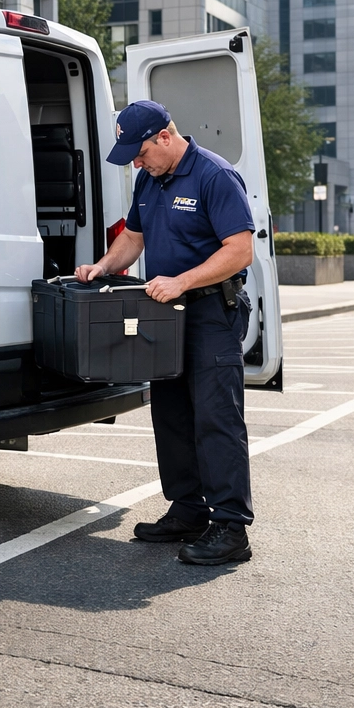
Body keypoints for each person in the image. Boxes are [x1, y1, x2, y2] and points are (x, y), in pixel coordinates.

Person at [74, 100, 257, 565]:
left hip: (211, 312)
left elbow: (240, 251)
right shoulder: (149, 180)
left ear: (164, 137)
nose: (136, 162)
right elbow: (133, 239)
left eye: (140, 153)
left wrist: (183, 280)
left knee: (217, 419)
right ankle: (188, 510)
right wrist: (102, 266)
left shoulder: (214, 176)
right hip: (167, 315)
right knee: (172, 415)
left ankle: (231, 528)